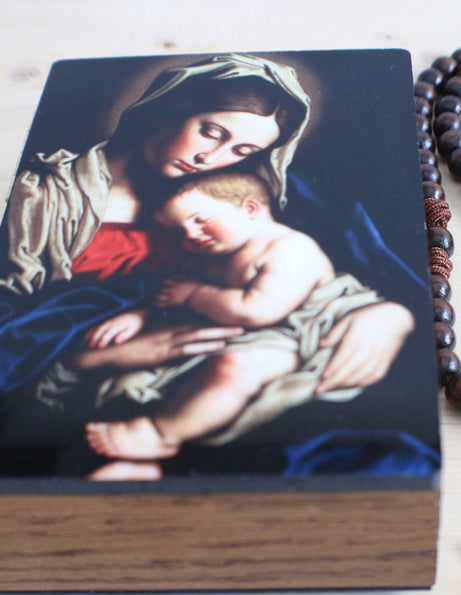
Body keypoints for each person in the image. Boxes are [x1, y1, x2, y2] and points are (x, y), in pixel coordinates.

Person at [0, 53, 416, 463]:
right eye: (211, 131)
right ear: (167, 110)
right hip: (92, 374)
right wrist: (94, 357)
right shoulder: (46, 197)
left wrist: (389, 316)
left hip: (247, 358)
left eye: (243, 150)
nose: (212, 159)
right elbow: (16, 326)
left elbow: (372, 267)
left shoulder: (258, 196)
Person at [83, 171, 392, 461]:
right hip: (250, 332)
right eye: (179, 231)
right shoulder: (209, 256)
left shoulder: (291, 249)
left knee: (235, 369)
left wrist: (193, 295)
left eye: (200, 220)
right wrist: (140, 316)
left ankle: (162, 433)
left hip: (305, 335)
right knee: (164, 374)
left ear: (250, 209)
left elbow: (257, 310)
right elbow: (170, 295)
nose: (191, 234)